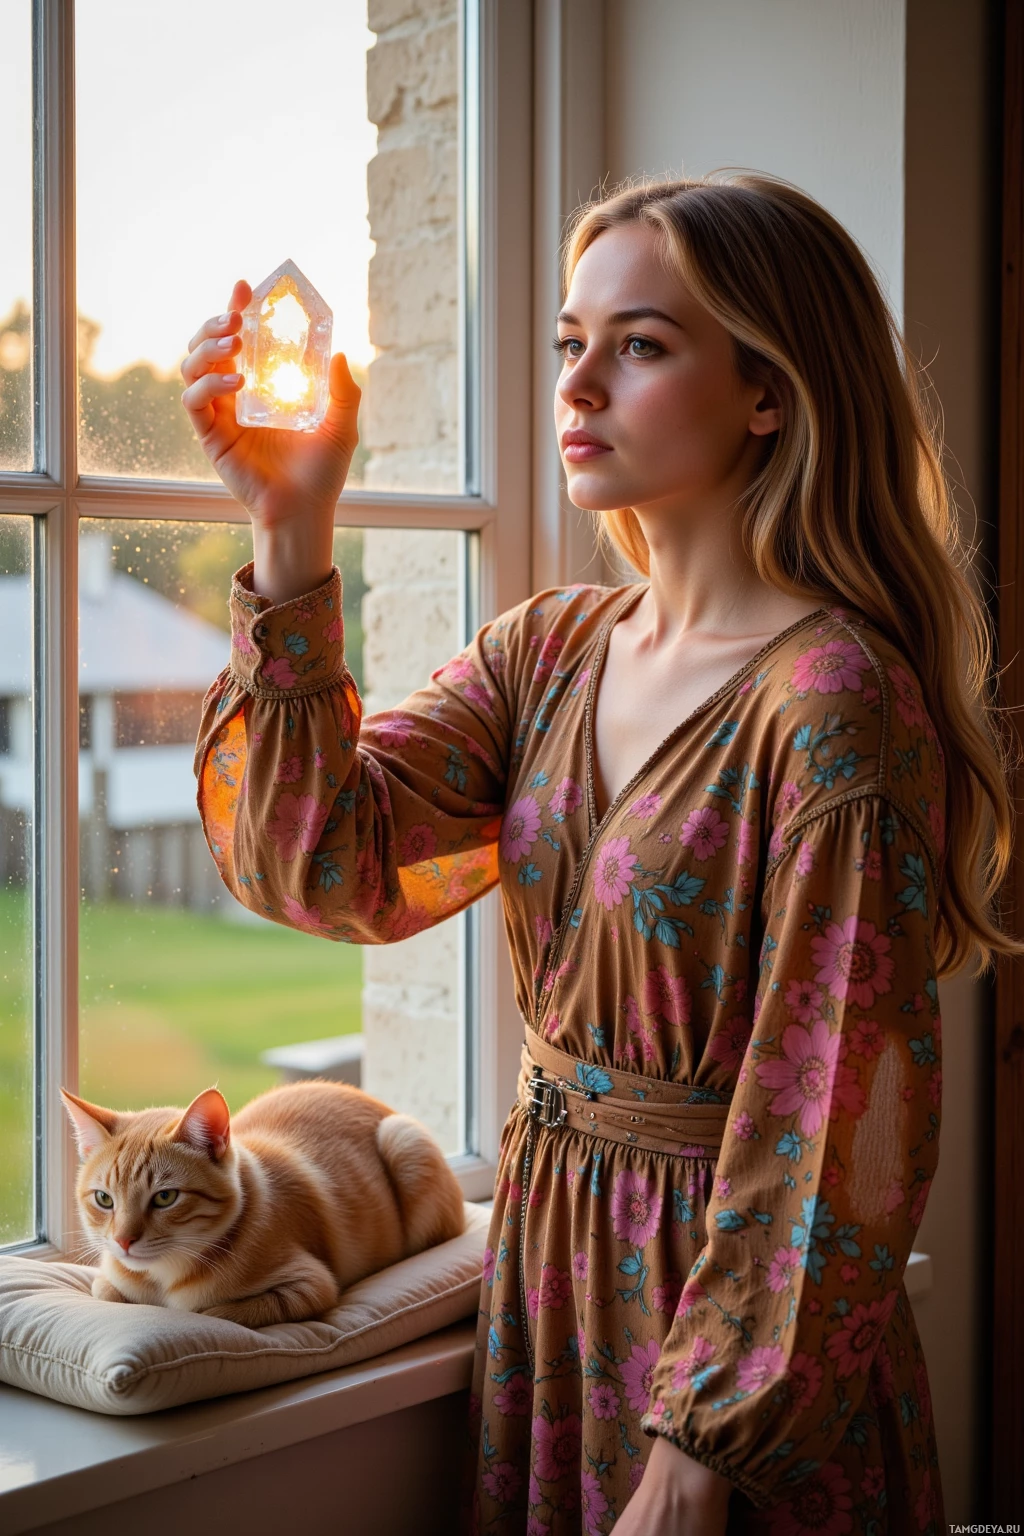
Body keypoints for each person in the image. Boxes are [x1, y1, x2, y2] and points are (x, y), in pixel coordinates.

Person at [181, 171, 1021, 1535]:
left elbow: (832, 1121)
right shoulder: (550, 651)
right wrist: (288, 527)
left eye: (640, 344)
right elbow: (320, 863)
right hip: (552, 1294)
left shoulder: (834, 703)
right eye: (572, 342)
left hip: (728, 1346)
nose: (577, 386)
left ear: (769, 390)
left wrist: (703, 1447)